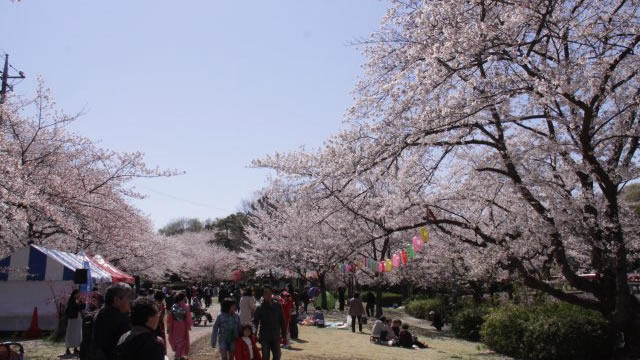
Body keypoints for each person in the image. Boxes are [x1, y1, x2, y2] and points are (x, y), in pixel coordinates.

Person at [92, 283, 133, 360]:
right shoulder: (120, 319)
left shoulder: (101, 313)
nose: (130, 301)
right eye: (128, 297)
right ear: (116, 300)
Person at [253, 285, 286, 360]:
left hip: (276, 335)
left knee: (277, 355)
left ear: (272, 293)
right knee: (265, 356)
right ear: (263, 294)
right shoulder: (259, 307)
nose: (267, 294)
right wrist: (254, 334)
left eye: (269, 292)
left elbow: (282, 320)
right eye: (265, 292)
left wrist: (284, 334)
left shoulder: (278, 305)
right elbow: (255, 322)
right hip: (264, 337)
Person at [167, 292, 192, 360]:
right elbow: (188, 317)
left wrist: (169, 326)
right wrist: (189, 324)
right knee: (182, 340)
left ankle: (179, 354)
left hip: (175, 324)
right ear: (183, 298)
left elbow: (170, 317)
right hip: (182, 324)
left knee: (177, 339)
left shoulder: (173, 306)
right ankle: (178, 355)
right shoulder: (186, 306)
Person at [65, 289, 86, 356]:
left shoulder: (76, 300)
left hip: (76, 319)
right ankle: (68, 349)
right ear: (75, 294)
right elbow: (78, 308)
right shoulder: (72, 301)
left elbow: (81, 308)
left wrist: (82, 302)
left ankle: (75, 348)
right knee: (70, 333)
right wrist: (83, 302)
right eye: (78, 294)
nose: (79, 295)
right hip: (73, 319)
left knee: (77, 333)